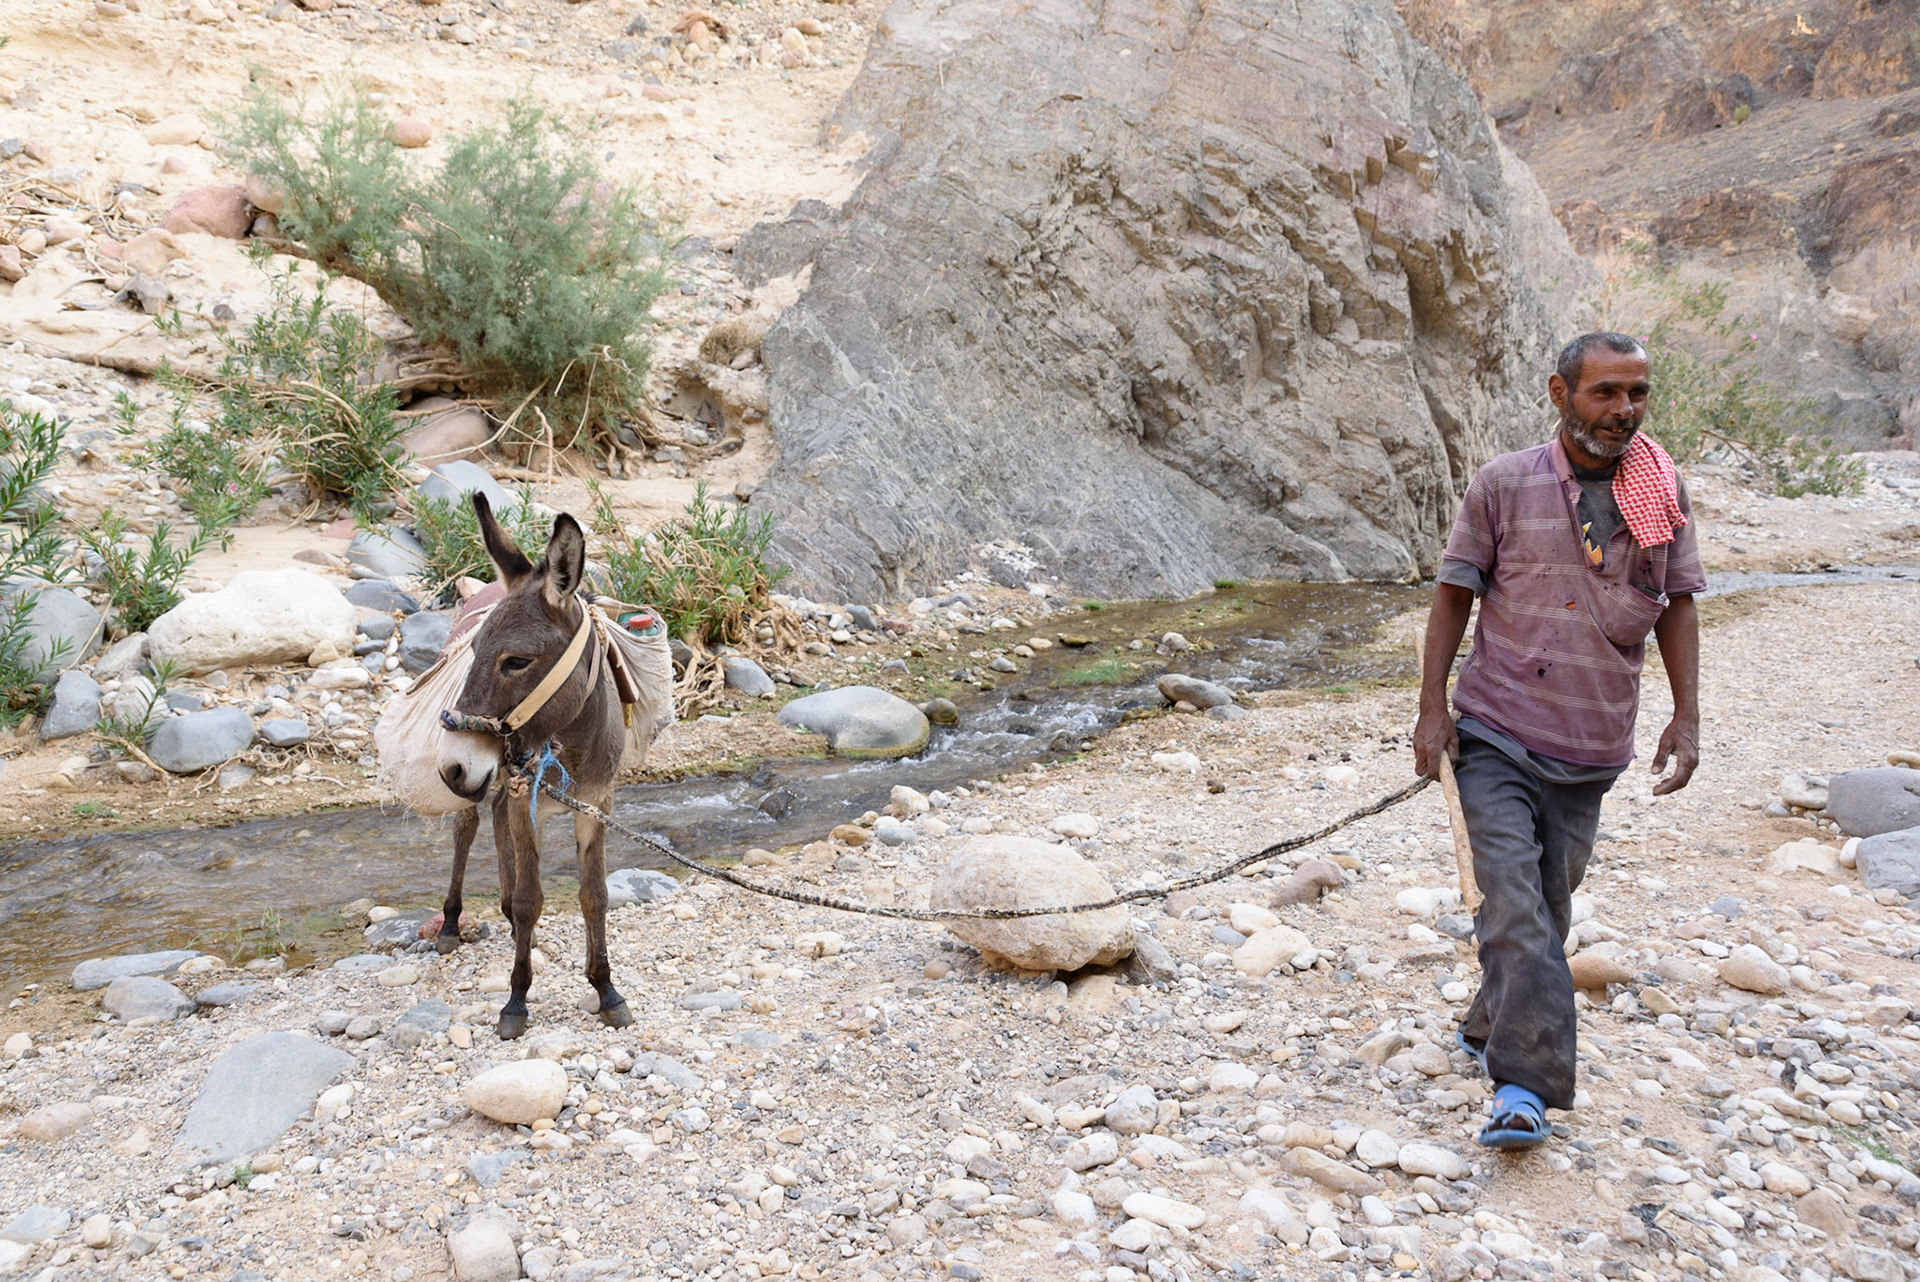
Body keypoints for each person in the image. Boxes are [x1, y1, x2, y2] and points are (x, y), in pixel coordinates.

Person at [1412, 331, 1703, 1149]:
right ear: (1559, 392)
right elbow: (1454, 594)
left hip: (1592, 742)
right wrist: (1432, 709)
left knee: (1549, 904)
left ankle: (1489, 1022)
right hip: (1496, 729)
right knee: (1511, 900)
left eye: (1636, 393)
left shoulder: (1663, 491)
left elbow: (1679, 603)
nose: (1623, 410)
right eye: (1605, 392)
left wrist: (1686, 716)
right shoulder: (1504, 483)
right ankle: (1523, 1089)